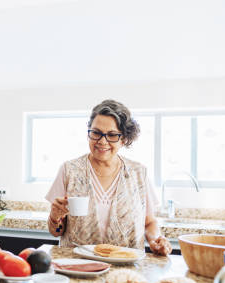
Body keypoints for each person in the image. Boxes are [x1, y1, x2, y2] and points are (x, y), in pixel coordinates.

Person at [45, 99, 172, 256]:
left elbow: (149, 222)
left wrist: (156, 239)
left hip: (126, 268)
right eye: (96, 133)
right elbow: (56, 231)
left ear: (124, 139)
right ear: (88, 133)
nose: (102, 141)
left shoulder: (139, 173)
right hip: (77, 265)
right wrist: (55, 217)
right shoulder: (69, 170)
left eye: (112, 135)